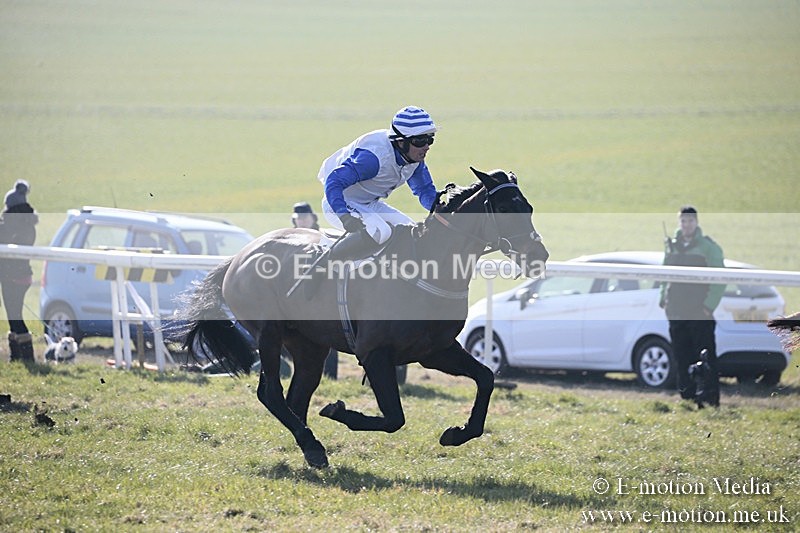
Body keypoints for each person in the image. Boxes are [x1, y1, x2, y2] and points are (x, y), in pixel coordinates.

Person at [304, 106, 439, 293]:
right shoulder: (373, 159)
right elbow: (334, 181)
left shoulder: (414, 159)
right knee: (379, 231)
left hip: (369, 203)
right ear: (400, 142)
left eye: (430, 139)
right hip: (339, 201)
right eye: (419, 140)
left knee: (410, 230)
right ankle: (320, 265)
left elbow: (425, 191)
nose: (426, 146)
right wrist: (344, 215)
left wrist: (446, 210)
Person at [659, 206, 724, 406]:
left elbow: (720, 279)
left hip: (699, 312)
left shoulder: (708, 248)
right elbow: (664, 274)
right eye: (683, 221)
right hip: (677, 311)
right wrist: (664, 299)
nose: (686, 225)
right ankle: (687, 398)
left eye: (690, 221)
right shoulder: (672, 246)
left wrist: (708, 306)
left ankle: (710, 399)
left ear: (696, 222)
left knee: (705, 356)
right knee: (681, 355)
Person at [0, 180, 38, 362]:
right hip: (23, 275)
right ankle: (18, 356)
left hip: (11, 278)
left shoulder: (9, 227)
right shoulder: (28, 226)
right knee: (14, 315)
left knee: (14, 317)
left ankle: (25, 356)